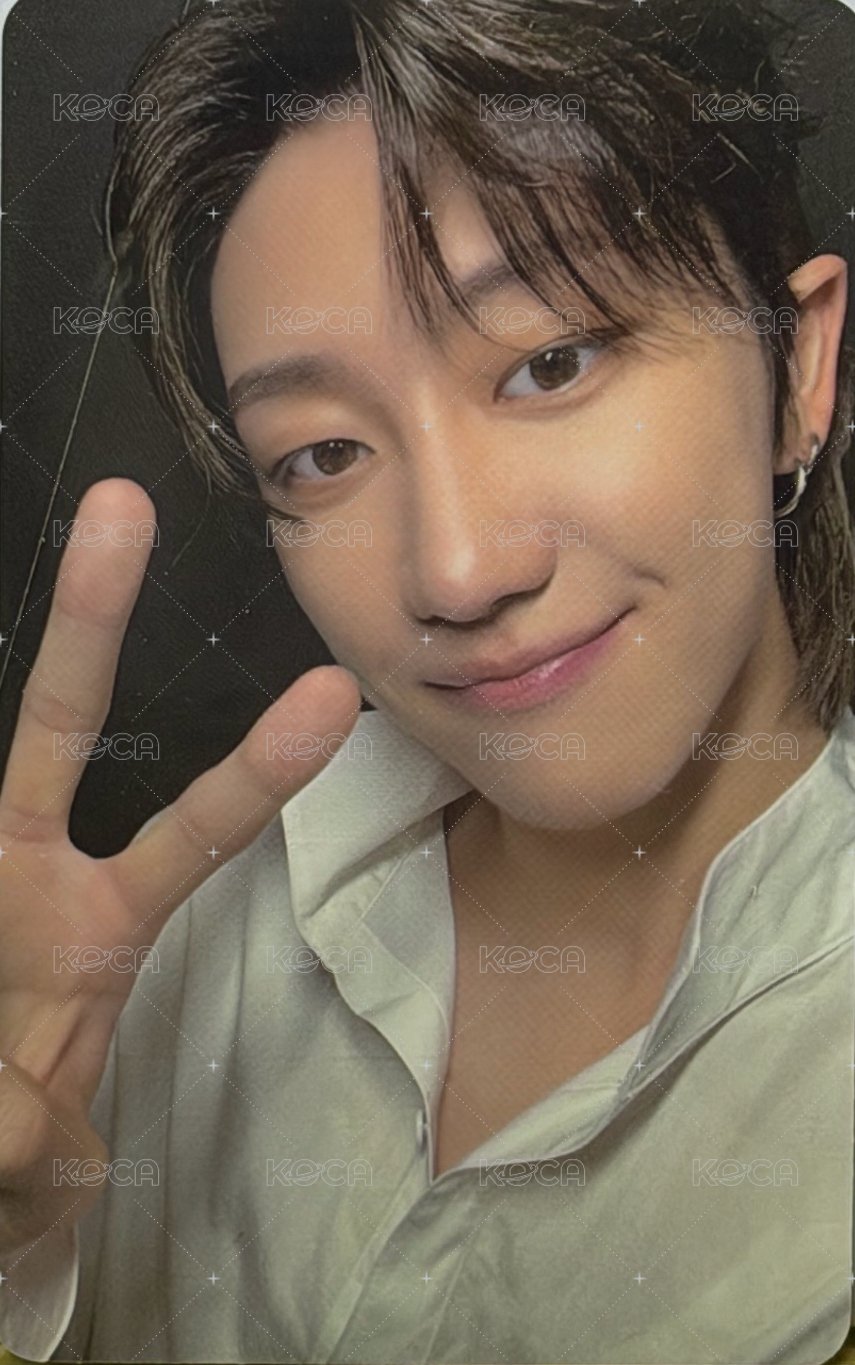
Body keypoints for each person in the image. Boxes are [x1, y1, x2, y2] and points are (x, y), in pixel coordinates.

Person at [1, 0, 854, 1360]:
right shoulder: (170, 950)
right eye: (324, 454)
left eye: (552, 362)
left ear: (800, 362)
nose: (457, 571)